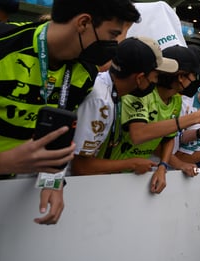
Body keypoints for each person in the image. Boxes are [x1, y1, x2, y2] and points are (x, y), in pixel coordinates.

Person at [0, 0, 140, 225]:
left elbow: (58, 135)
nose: (116, 45)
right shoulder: (4, 47)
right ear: (83, 23)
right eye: (113, 34)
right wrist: (5, 161)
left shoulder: (85, 72)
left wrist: (52, 180)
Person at [108, 45, 200, 194]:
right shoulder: (141, 92)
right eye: (196, 77)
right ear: (180, 77)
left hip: (142, 173)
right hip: (110, 171)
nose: (199, 82)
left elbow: (168, 138)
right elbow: (139, 134)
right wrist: (197, 117)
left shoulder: (176, 101)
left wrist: (163, 166)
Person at [70, 37, 178, 176]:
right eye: (156, 76)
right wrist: (132, 163)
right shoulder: (100, 101)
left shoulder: (110, 91)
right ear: (139, 78)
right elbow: (80, 167)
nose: (156, 82)